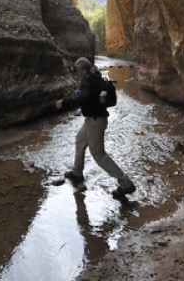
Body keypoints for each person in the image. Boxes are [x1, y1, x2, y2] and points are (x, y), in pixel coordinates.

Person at [55, 57, 136, 198]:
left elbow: (83, 98)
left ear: (82, 69)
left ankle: (125, 183)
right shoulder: (95, 77)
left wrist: (64, 102)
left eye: (77, 70)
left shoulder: (87, 81)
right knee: (80, 140)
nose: (77, 73)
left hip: (95, 121)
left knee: (99, 154)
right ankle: (77, 173)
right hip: (92, 120)